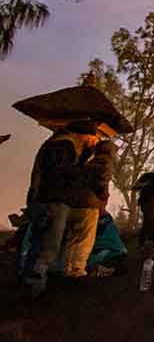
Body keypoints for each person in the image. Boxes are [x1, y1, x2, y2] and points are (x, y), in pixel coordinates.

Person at [23, 120, 98, 294]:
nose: (94, 140)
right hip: (51, 202)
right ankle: (34, 288)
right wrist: (85, 170)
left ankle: (30, 282)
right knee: (48, 246)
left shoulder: (60, 144)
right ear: (85, 135)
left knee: (42, 243)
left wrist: (84, 156)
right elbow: (60, 174)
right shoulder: (63, 146)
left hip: (47, 200)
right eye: (93, 136)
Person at [63, 139, 117, 278]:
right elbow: (102, 181)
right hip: (89, 204)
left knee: (73, 238)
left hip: (74, 203)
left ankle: (67, 268)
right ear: (109, 151)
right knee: (85, 239)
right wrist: (102, 199)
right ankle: (78, 270)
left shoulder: (89, 162)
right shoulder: (105, 162)